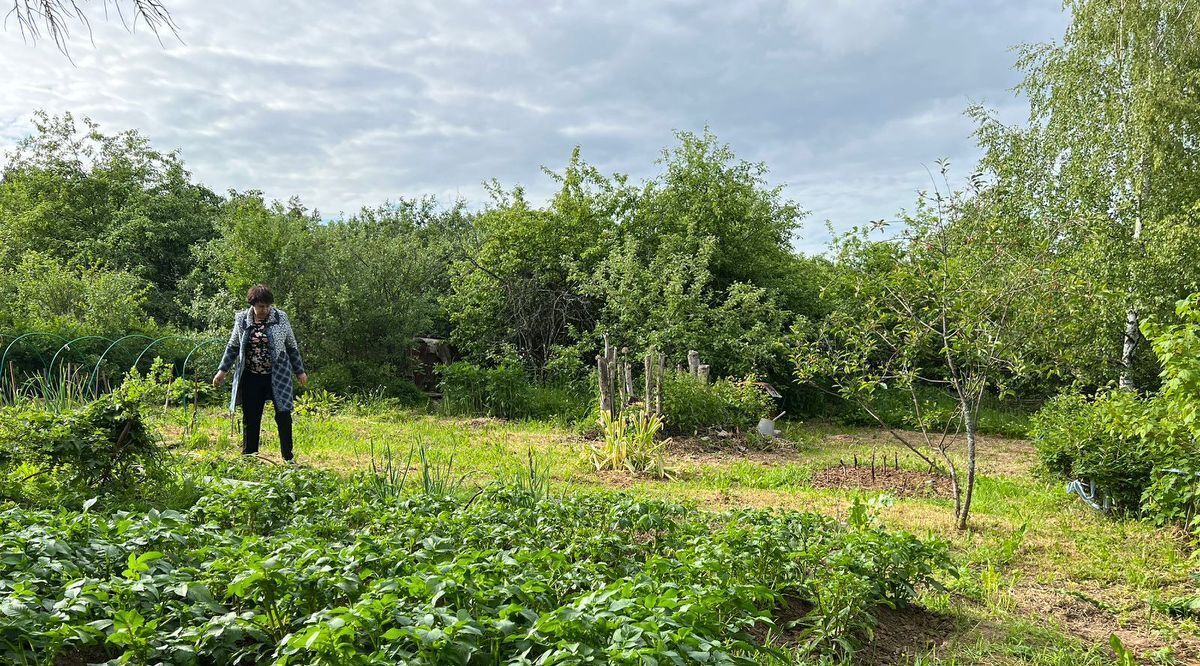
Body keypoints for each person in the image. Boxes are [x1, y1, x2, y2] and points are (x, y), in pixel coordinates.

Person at [212, 284, 308, 463]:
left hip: (278, 375)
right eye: (260, 306)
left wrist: (299, 371)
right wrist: (222, 371)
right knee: (251, 417)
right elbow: (233, 346)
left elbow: (291, 346)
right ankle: (249, 457)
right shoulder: (241, 319)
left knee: (284, 415)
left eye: (267, 306)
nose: (264, 310)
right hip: (251, 376)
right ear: (252, 305)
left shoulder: (281, 318)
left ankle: (288, 458)